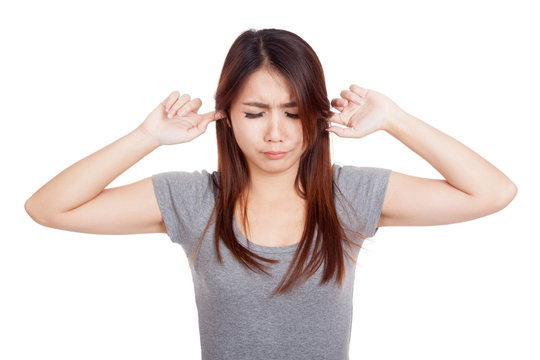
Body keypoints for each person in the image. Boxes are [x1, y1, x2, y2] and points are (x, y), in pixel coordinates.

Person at [24, 28, 517, 360]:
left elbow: (492, 192)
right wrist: (146, 137)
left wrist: (395, 120)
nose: (276, 133)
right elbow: (47, 208)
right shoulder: (194, 199)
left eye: (295, 112)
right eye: (255, 113)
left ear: (317, 115)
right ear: (227, 116)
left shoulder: (349, 193)